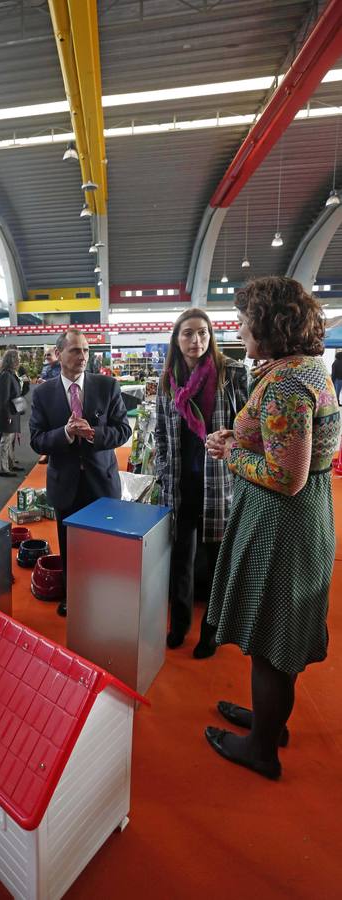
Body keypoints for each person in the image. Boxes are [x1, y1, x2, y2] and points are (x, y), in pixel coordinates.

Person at [204, 276, 340, 780]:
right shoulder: (306, 369)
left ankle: (261, 750)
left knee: (270, 642)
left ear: (268, 325)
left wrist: (231, 452)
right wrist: (242, 441)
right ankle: (269, 723)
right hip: (304, 519)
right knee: (278, 638)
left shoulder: (284, 384)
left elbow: (286, 476)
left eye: (244, 322)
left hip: (282, 524)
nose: (239, 330)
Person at [155, 308, 249, 657]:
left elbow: (249, 427)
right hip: (180, 484)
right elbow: (161, 433)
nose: (196, 341)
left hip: (219, 483)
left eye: (203, 333)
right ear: (176, 339)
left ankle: (211, 631)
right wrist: (165, 470)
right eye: (188, 333)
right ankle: (178, 625)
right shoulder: (169, 380)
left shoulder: (230, 373)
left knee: (214, 562)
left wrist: (234, 443)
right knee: (180, 559)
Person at [30, 328, 131, 616]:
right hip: (66, 484)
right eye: (75, 350)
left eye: (86, 350)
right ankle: (73, 595)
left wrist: (92, 434)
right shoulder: (43, 393)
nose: (83, 356)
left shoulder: (107, 386)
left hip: (102, 481)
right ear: (59, 354)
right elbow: (37, 439)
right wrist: (64, 433)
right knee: (69, 545)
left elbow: (123, 431)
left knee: (104, 545)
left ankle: (103, 595)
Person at [0, 348, 25, 478]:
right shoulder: (6, 375)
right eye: (17, 358)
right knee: (5, 441)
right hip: (9, 413)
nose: (19, 360)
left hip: (13, 412)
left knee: (9, 440)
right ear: (12, 360)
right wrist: (7, 416)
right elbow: (4, 399)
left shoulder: (11, 374)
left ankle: (10, 464)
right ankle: (3, 468)